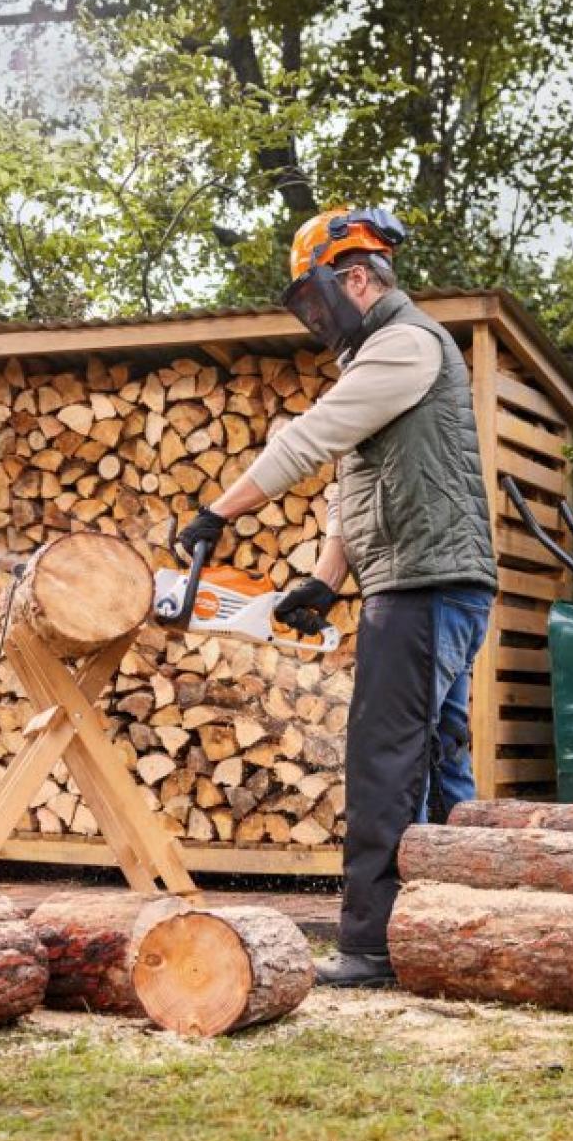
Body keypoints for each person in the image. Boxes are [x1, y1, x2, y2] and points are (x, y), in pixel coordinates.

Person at [174, 207, 496, 987]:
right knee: (439, 757)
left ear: (356, 278)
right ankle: (468, 926)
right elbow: (353, 492)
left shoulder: (405, 344)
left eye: (318, 300)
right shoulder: (379, 361)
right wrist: (324, 578)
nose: (316, 319)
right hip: (422, 581)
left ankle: (374, 946)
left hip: (424, 584)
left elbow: (307, 441)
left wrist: (220, 508)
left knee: (384, 758)